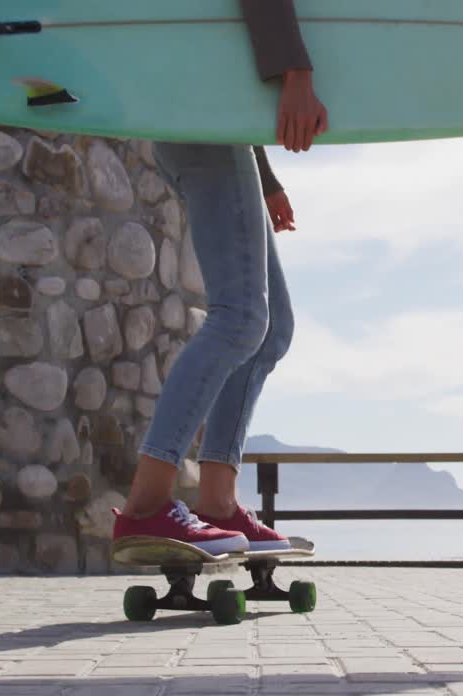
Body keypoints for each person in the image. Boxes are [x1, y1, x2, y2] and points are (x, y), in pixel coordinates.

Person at [111, 0, 327, 556]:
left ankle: (218, 503)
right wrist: (297, 75)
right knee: (240, 319)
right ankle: (146, 507)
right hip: (196, 115)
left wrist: (266, 179)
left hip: (218, 125)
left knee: (271, 329)